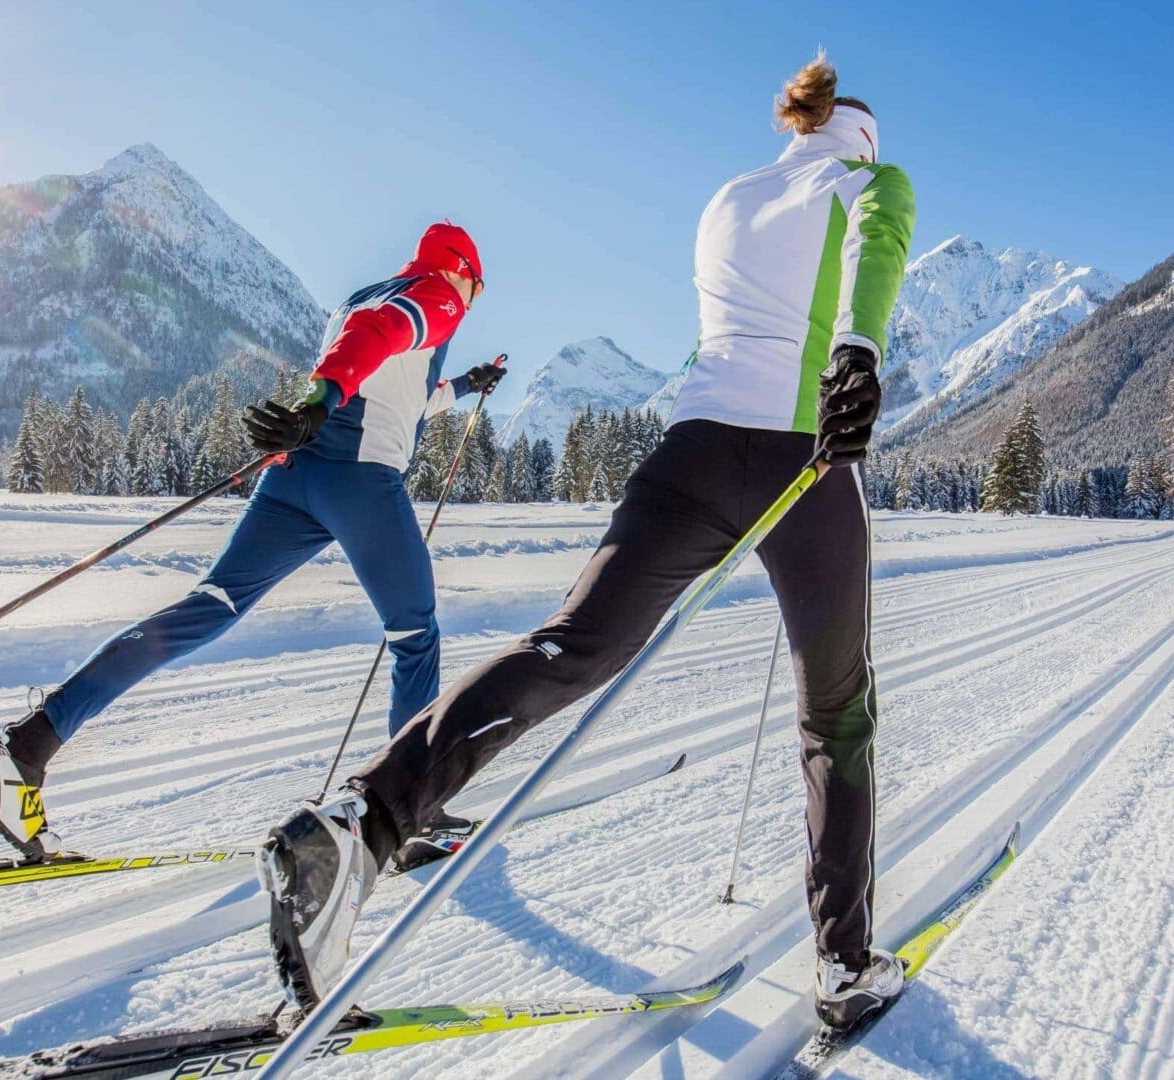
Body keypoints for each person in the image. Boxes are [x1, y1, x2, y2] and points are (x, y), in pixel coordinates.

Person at [259, 54, 916, 1030]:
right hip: (806, 461)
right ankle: (846, 964)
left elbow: (732, 330)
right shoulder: (871, 178)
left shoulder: (730, 199)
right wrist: (857, 355)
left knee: (569, 646)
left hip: (691, 453)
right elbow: (880, 248)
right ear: (860, 135)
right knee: (836, 713)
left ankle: (364, 820)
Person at [0, 222, 503, 864]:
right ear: (461, 267)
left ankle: (26, 748)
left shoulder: (366, 292)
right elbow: (379, 333)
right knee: (415, 635)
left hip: (295, 477)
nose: (472, 298)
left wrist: (466, 384)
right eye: (477, 285)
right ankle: (413, 812)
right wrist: (320, 397)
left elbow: (398, 386)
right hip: (360, 481)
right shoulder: (436, 292)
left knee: (207, 608)